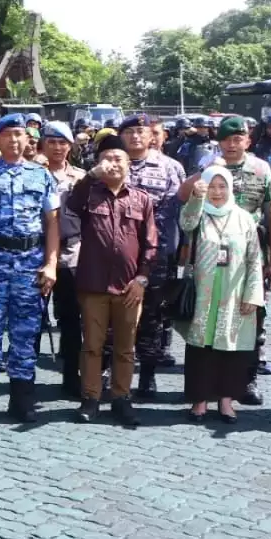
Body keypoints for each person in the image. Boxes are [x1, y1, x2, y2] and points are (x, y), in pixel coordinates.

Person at [0, 109, 61, 424]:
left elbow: (52, 223)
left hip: (30, 261)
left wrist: (51, 264)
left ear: (28, 139)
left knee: (26, 330)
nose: (15, 140)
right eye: (9, 135)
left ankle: (22, 398)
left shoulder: (42, 175)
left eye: (20, 135)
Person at [179, 115, 271, 406]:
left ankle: (247, 379)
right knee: (204, 325)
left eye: (238, 138)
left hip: (249, 249)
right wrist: (205, 171)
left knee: (251, 319)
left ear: (247, 139)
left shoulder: (261, 168)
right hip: (208, 249)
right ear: (219, 141)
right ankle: (203, 389)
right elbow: (183, 197)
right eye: (226, 139)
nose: (232, 144)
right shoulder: (209, 163)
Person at [67, 136, 156, 427]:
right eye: (107, 158)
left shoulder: (141, 199)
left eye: (119, 158)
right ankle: (90, 398)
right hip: (93, 285)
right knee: (92, 345)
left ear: (129, 164)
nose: (113, 164)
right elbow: (70, 203)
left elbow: (151, 244)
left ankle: (121, 398)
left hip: (129, 287)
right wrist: (90, 176)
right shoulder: (89, 194)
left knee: (125, 347)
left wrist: (142, 278)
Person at [119, 114, 184, 399]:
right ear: (122, 136)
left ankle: (147, 376)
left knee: (152, 319)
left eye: (141, 132)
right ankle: (112, 372)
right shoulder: (112, 164)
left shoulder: (171, 168)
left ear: (152, 136)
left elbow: (178, 214)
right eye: (130, 131)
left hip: (157, 255)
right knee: (114, 316)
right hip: (118, 255)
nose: (135, 136)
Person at [40, 122, 86, 399]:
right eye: (51, 141)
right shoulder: (33, 173)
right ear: (43, 144)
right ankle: (24, 381)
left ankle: (71, 376)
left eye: (62, 142)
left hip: (71, 254)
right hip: (35, 253)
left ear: (70, 145)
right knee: (31, 320)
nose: (57, 147)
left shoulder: (81, 177)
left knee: (70, 319)